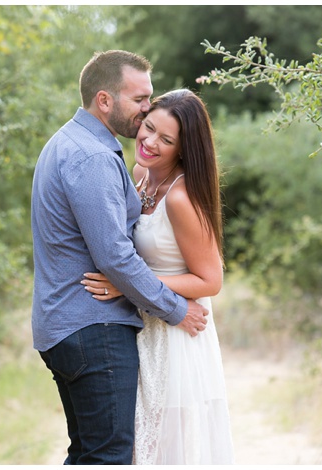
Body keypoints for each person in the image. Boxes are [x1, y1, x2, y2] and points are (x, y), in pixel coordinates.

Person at [30, 51, 210, 465]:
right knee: (108, 457)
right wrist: (175, 309)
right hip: (94, 328)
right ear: (105, 100)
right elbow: (115, 257)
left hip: (70, 324)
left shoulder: (71, 142)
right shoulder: (92, 157)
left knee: (90, 453)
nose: (149, 107)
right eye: (140, 98)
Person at [82, 89, 235, 464]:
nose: (149, 142)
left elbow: (210, 281)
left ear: (183, 150)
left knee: (169, 446)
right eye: (148, 127)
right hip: (143, 326)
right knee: (138, 441)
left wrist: (128, 285)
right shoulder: (139, 175)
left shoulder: (181, 199)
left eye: (165, 140)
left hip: (177, 338)